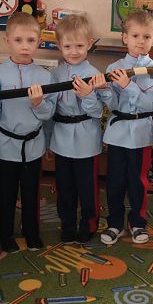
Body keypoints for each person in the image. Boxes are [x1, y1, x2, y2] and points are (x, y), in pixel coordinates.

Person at [0, 12, 55, 252]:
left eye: (31, 40)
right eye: (18, 40)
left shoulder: (45, 76)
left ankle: (32, 233)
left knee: (31, 193)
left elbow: (49, 114)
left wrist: (38, 104)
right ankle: (5, 235)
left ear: (39, 42)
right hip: (6, 145)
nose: (24, 46)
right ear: (7, 40)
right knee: (6, 193)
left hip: (34, 145)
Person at [96, 10, 153, 245]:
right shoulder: (115, 66)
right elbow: (113, 105)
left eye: (146, 36)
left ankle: (137, 223)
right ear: (125, 38)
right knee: (114, 181)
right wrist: (105, 90)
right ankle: (115, 223)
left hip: (141, 133)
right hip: (117, 133)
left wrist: (128, 86)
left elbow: (149, 104)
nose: (140, 41)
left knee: (138, 181)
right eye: (135, 36)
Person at [48, 14, 105, 244]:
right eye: (68, 46)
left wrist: (88, 95)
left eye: (79, 46)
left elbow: (98, 112)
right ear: (59, 46)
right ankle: (68, 224)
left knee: (87, 187)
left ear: (89, 44)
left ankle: (89, 223)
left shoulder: (95, 74)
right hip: (61, 137)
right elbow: (50, 111)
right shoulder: (54, 75)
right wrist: (48, 141)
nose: (74, 51)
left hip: (86, 137)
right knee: (64, 187)